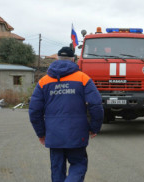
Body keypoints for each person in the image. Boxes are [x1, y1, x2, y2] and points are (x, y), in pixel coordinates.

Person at [29, 46, 103, 182]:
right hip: (77, 133)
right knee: (78, 164)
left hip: (54, 134)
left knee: (57, 169)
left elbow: (34, 110)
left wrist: (41, 133)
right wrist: (94, 127)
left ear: (57, 59)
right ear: (73, 59)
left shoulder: (44, 81)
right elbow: (96, 105)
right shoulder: (83, 78)